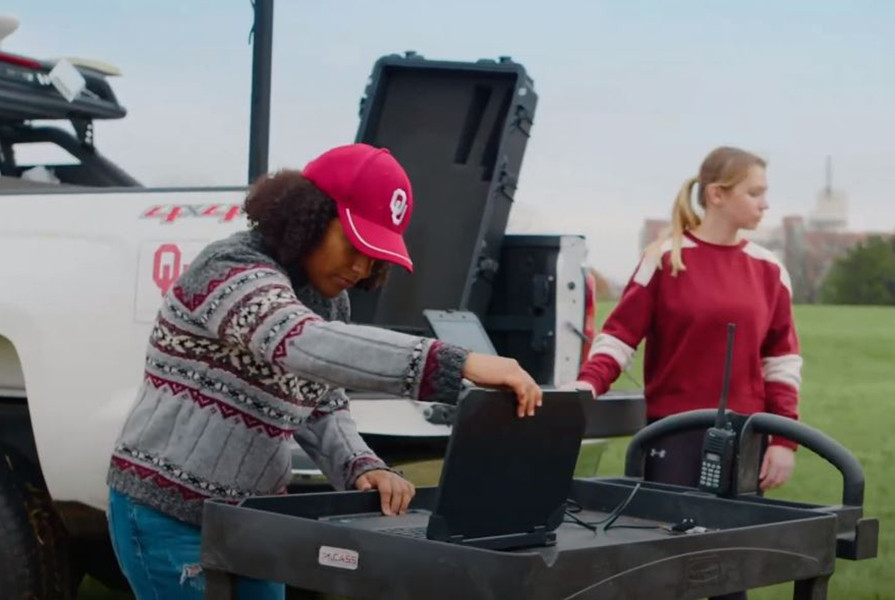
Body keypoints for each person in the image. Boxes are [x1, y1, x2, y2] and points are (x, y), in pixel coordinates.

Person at [106, 144, 543, 600]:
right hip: (164, 513)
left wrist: (360, 465)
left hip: (250, 520)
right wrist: (456, 363)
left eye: (375, 257)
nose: (361, 267)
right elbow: (299, 342)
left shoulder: (327, 298)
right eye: (355, 245)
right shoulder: (229, 267)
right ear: (307, 216)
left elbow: (322, 402)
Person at [571, 146, 801, 598]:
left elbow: (781, 360)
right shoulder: (664, 258)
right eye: (755, 192)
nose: (765, 203)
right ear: (717, 194)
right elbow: (618, 338)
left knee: (732, 573)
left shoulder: (770, 268)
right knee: (664, 570)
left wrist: (784, 440)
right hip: (671, 439)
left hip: (744, 441)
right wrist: (584, 388)